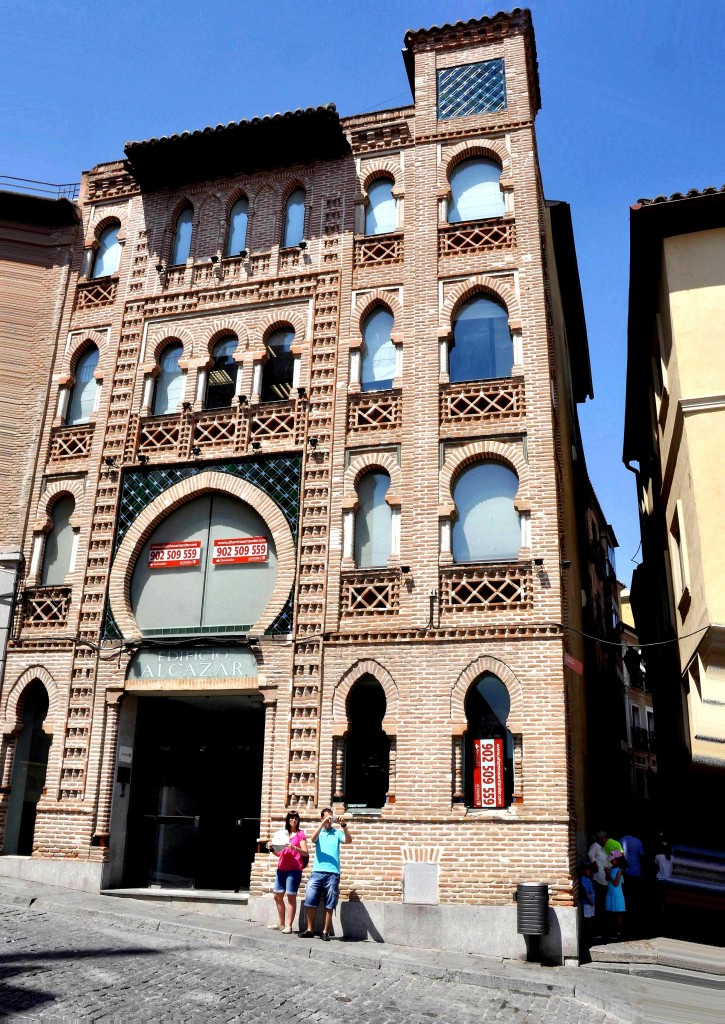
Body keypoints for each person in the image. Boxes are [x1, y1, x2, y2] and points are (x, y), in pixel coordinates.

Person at [301, 808, 352, 940]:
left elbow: (348, 840)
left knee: (330, 902)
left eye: (331, 818)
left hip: (333, 873)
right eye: (327, 818)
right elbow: (312, 839)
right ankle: (310, 930)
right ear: (322, 818)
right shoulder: (320, 832)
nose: (329, 820)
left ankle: (325, 932)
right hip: (317, 872)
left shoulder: (337, 833)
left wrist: (344, 825)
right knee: (310, 900)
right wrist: (322, 824)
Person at [268, 811, 308, 934]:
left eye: (296, 818)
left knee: (291, 897)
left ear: (298, 821)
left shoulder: (300, 834)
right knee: (277, 896)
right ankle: (281, 924)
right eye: (291, 818)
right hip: (281, 869)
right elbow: (279, 854)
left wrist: (294, 848)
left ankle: (289, 926)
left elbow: (305, 852)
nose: (293, 820)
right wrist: (271, 849)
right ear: (288, 820)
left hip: (294, 869)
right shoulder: (283, 834)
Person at [621, 830, 645, 935]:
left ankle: (627, 917)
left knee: (626, 896)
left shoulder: (620, 840)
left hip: (625, 873)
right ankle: (635, 917)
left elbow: (618, 857)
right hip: (637, 872)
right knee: (636, 896)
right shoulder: (638, 841)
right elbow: (642, 855)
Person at [587, 830, 609, 937]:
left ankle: (601, 927)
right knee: (599, 905)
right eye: (605, 838)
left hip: (603, 880)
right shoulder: (595, 846)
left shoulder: (601, 848)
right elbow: (590, 854)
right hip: (598, 880)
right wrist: (594, 863)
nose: (606, 840)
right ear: (601, 838)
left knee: (602, 904)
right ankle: (598, 928)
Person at [606, 849, 626, 938]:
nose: (611, 861)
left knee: (618, 913)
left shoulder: (619, 870)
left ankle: (618, 931)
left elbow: (616, 883)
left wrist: (608, 874)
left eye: (613, 859)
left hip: (617, 894)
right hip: (610, 893)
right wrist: (607, 873)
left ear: (617, 860)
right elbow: (607, 879)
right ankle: (612, 930)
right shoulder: (611, 868)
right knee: (611, 912)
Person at [579, 861, 596, 944]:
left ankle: (591, 932)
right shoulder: (583, 879)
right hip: (588, 902)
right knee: (588, 918)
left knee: (590, 917)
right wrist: (590, 902)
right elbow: (585, 892)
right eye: (587, 870)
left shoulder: (588, 878)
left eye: (590, 870)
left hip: (591, 901)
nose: (589, 871)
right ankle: (591, 933)